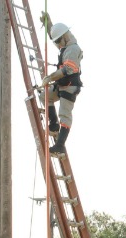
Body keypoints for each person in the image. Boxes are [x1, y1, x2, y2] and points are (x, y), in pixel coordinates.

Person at [39, 11, 83, 155]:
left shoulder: (73, 49)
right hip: (61, 83)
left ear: (64, 37)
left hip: (70, 86)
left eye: (58, 41)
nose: (57, 44)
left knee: (65, 114)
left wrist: (50, 77)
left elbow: (66, 70)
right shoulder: (64, 42)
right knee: (45, 95)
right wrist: (48, 23)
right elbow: (55, 35)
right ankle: (53, 125)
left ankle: (60, 145)